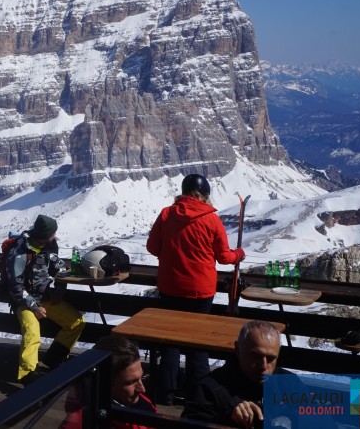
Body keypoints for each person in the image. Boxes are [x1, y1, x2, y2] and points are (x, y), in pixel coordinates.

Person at [145, 173, 245, 405]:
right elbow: (224, 257)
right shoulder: (211, 219)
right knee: (197, 345)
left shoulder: (167, 214)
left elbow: (152, 247)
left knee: (170, 341)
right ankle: (199, 398)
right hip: (200, 291)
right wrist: (239, 254)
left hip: (170, 287)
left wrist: (170, 254)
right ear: (205, 195)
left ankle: (166, 394)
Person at [6, 214, 85, 385]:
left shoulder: (49, 246)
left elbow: (59, 267)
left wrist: (59, 291)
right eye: (52, 234)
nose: (55, 236)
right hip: (24, 303)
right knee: (32, 330)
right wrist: (34, 307)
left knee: (76, 322)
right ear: (43, 235)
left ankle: (54, 358)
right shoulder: (20, 252)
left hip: (46, 298)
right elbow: (15, 287)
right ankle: (27, 374)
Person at [183, 321, 289, 429]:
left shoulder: (289, 384)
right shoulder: (208, 390)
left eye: (271, 358)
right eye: (255, 356)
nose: (263, 366)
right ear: (238, 349)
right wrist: (229, 419)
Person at [59, 335, 157, 429]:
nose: (142, 389)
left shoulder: (139, 403)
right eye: (131, 382)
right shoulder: (84, 422)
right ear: (105, 384)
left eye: (141, 377)